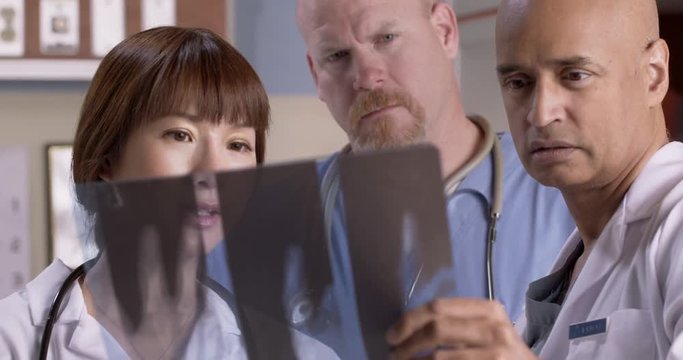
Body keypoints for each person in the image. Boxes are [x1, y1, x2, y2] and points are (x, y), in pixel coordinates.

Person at [0, 26, 337, 359]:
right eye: (180, 135)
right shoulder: (13, 339)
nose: (215, 171)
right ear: (106, 160)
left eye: (237, 144)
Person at [384, 0, 683, 359]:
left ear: (654, 75)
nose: (540, 114)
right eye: (519, 82)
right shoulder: (569, 271)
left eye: (575, 75)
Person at [295, 0, 573, 326]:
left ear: (444, 31)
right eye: (337, 56)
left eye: (386, 38)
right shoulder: (276, 221)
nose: (367, 77)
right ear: (316, 75)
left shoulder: (566, 196)